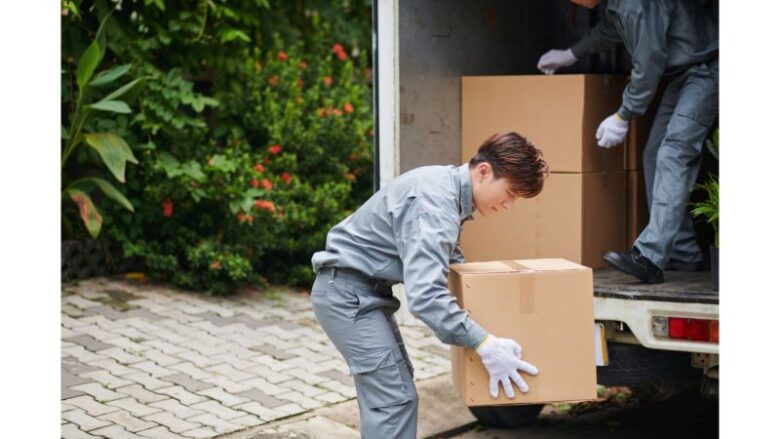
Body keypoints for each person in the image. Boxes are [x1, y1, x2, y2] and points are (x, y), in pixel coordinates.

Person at [310, 132, 548, 438]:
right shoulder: (435, 207)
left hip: (359, 292)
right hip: (348, 296)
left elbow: (448, 264)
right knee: (393, 399)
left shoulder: (445, 189)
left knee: (393, 392)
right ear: (484, 171)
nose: (509, 205)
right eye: (510, 193)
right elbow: (425, 297)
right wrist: (485, 344)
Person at [537, 0, 718, 283]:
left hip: (707, 70)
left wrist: (624, 114)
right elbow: (610, 30)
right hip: (684, 74)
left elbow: (648, 64)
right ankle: (683, 253)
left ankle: (650, 257)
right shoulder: (619, 7)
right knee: (654, 153)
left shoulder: (636, 4)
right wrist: (571, 53)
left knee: (674, 153)